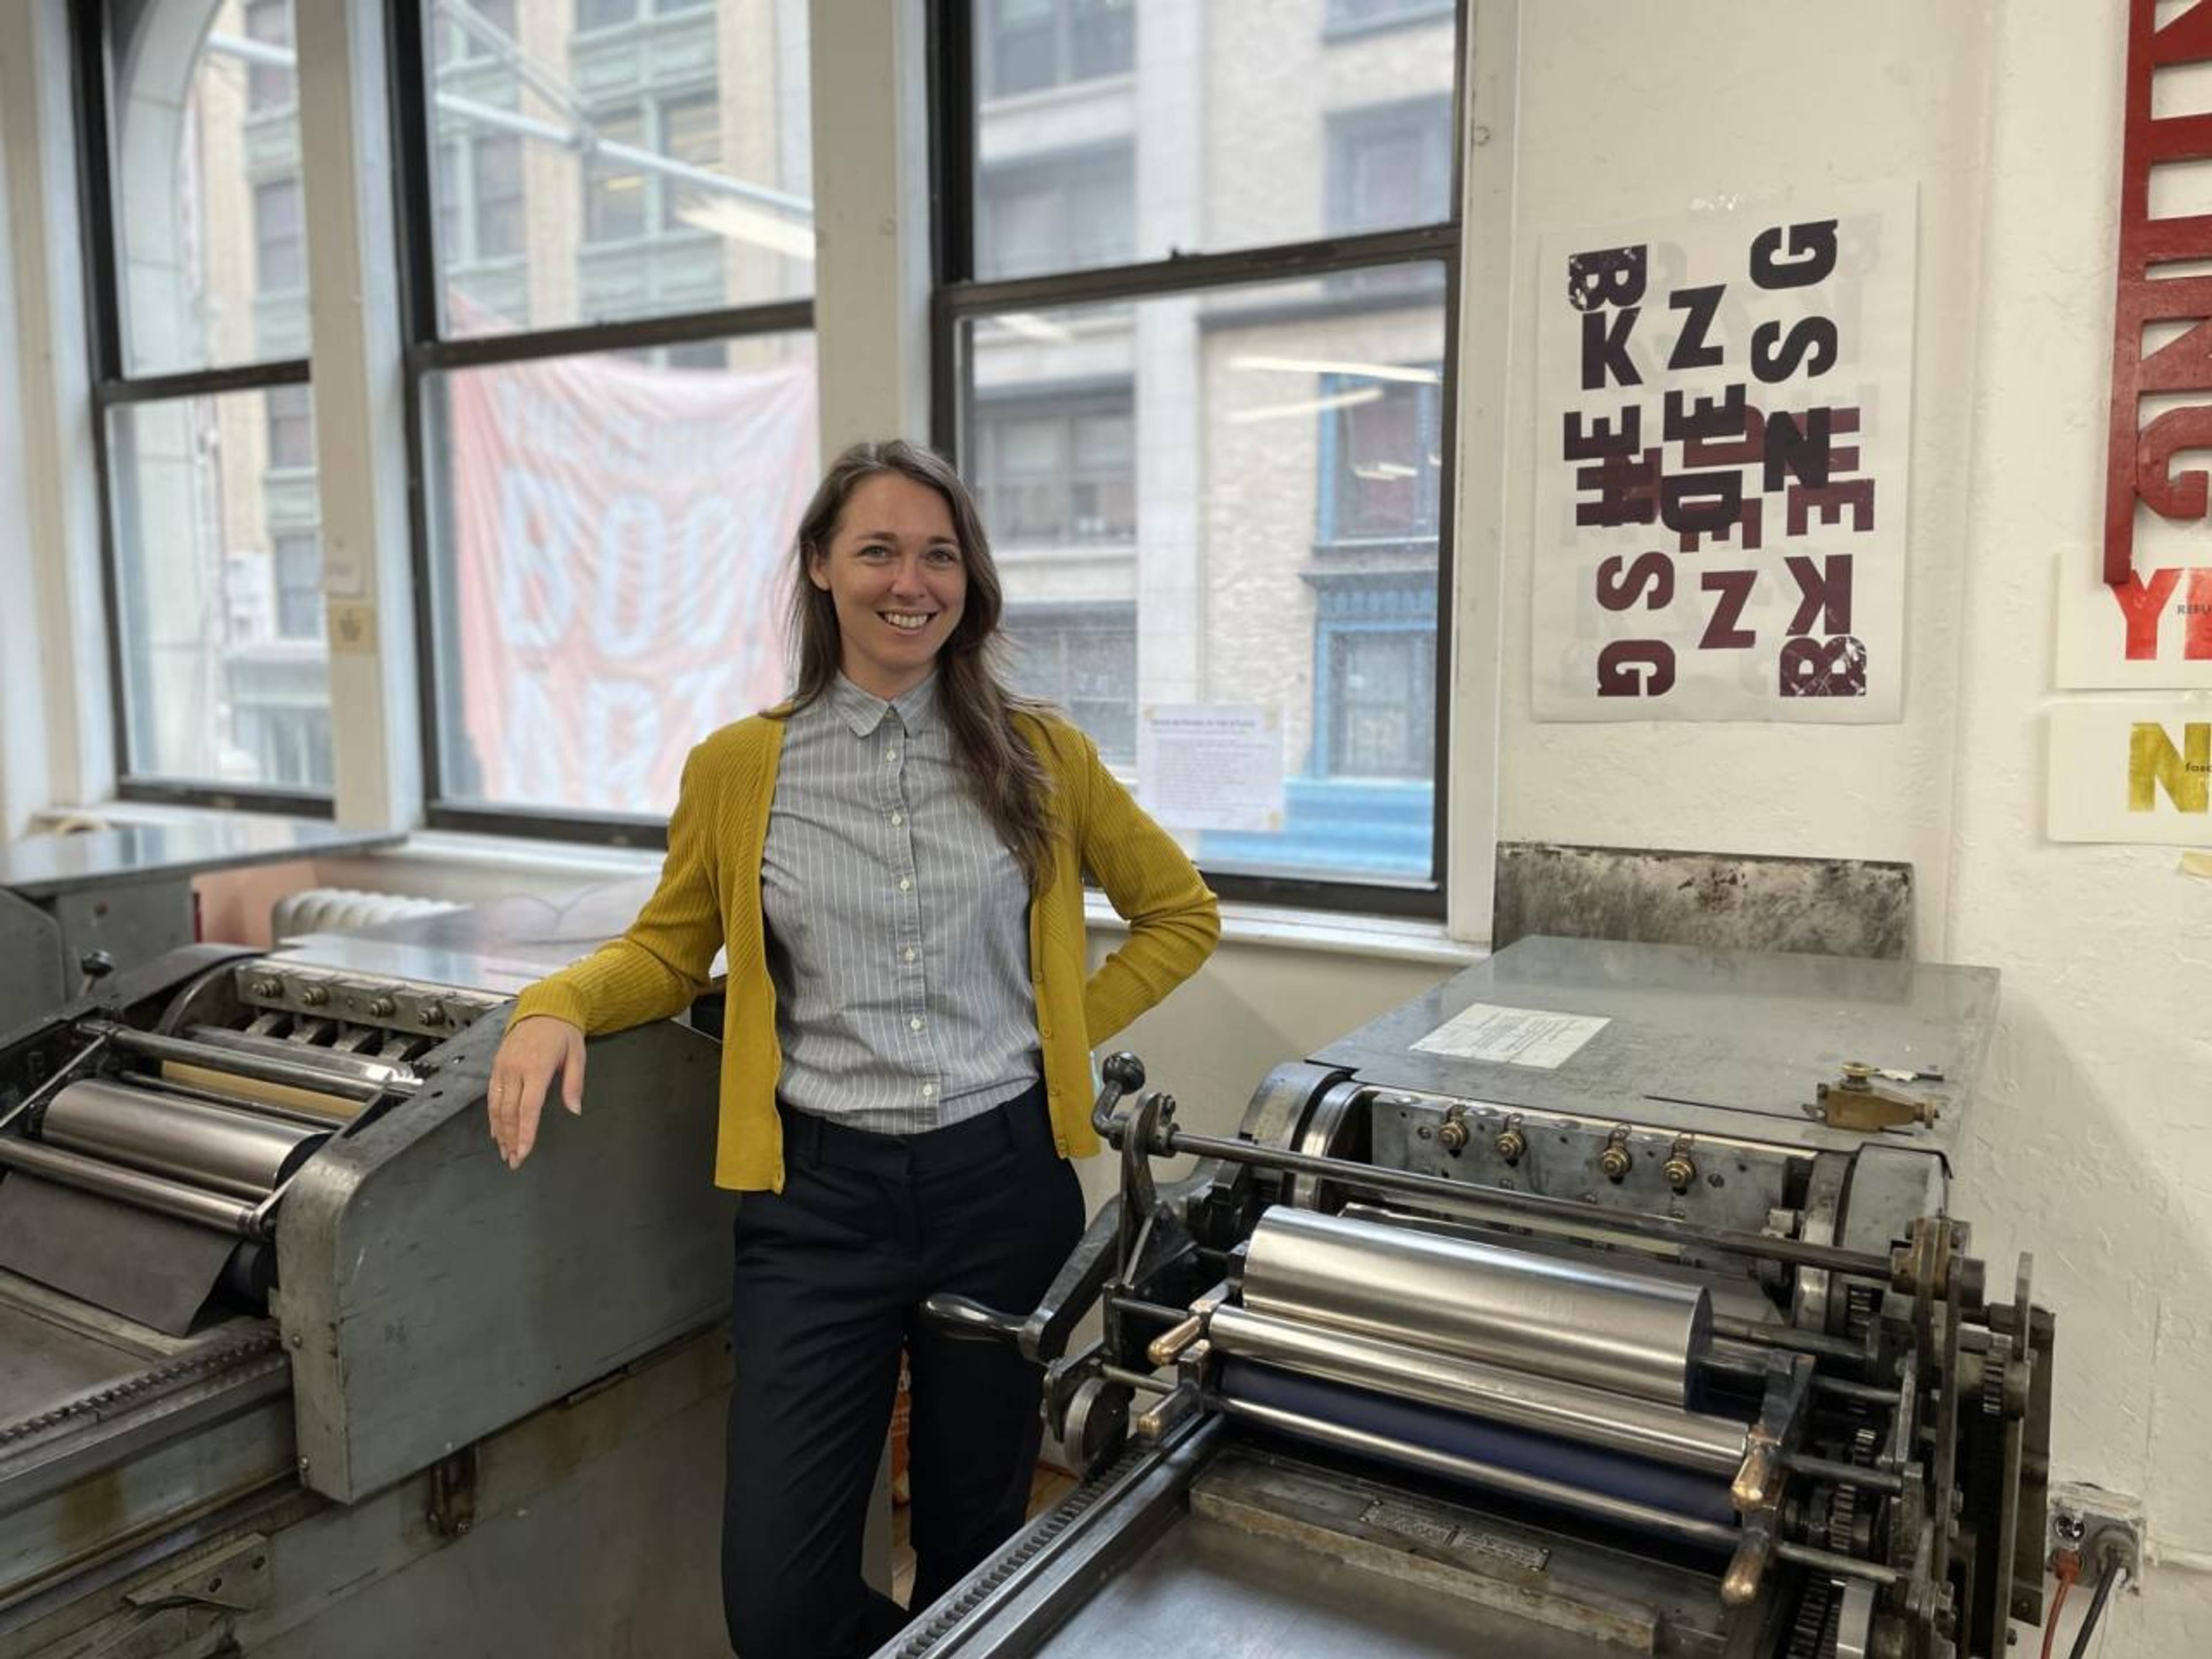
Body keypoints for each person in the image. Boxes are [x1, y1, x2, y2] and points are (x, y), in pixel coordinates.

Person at [486, 438, 1219, 1659]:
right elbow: (670, 954)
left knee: (981, 1550)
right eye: (877, 549)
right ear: (822, 568)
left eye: (939, 554)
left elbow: (1180, 912)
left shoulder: (1042, 754)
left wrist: (1060, 1038)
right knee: (777, 1599)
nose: (909, 581)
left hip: (1003, 1184)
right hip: (816, 1202)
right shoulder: (739, 768)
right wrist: (554, 1001)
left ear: (968, 581)